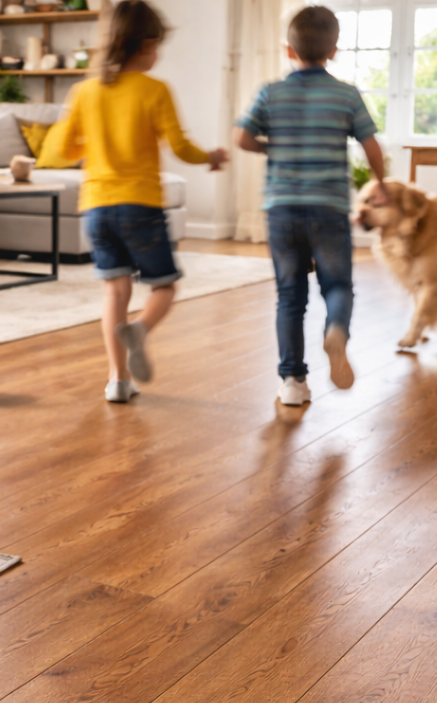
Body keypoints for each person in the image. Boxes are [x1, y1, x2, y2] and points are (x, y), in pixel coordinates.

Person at [60, 0, 228, 403]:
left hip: (96, 208)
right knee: (165, 287)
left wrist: (94, 144)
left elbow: (63, 149)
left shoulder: (84, 91)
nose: (158, 56)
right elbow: (180, 145)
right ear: (146, 45)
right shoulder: (155, 90)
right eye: (157, 48)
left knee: (114, 294)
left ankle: (117, 380)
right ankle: (140, 330)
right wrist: (210, 157)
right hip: (139, 206)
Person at [234, 4, 388, 406]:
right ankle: (335, 329)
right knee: (337, 285)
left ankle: (292, 383)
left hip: (282, 209)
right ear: (333, 50)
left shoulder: (271, 92)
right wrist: (382, 184)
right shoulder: (346, 94)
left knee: (290, 296)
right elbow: (371, 146)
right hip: (329, 209)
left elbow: (241, 139)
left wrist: (272, 147)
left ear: (290, 50)